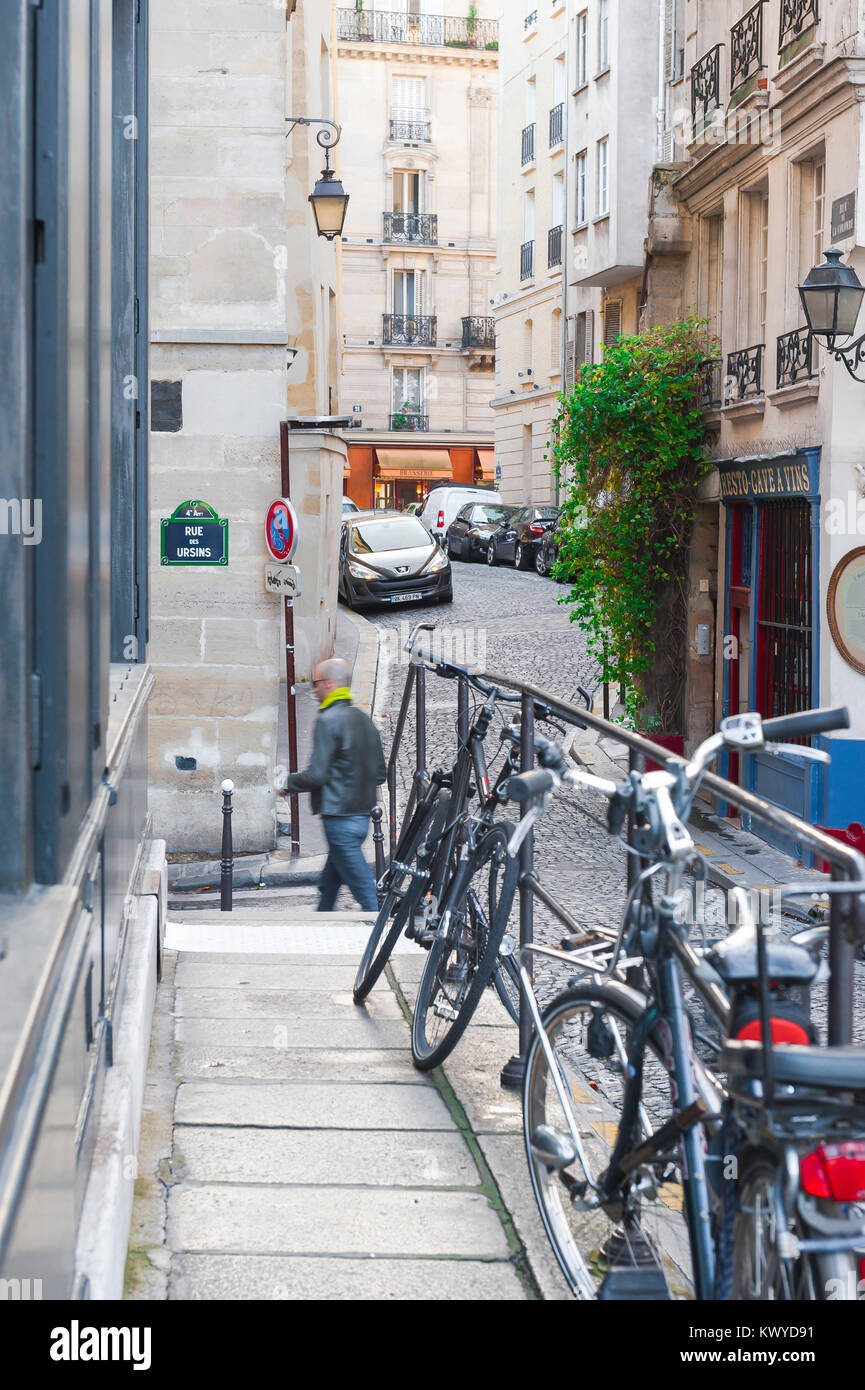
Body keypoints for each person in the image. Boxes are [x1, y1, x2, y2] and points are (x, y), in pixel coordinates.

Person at [280, 657, 386, 912]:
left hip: (339, 820)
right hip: (362, 819)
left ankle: (381, 938)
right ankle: (321, 921)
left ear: (328, 683)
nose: (313, 690)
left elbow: (317, 775)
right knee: (330, 883)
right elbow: (380, 774)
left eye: (316, 683)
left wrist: (287, 783)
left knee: (365, 892)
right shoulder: (365, 721)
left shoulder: (327, 721)